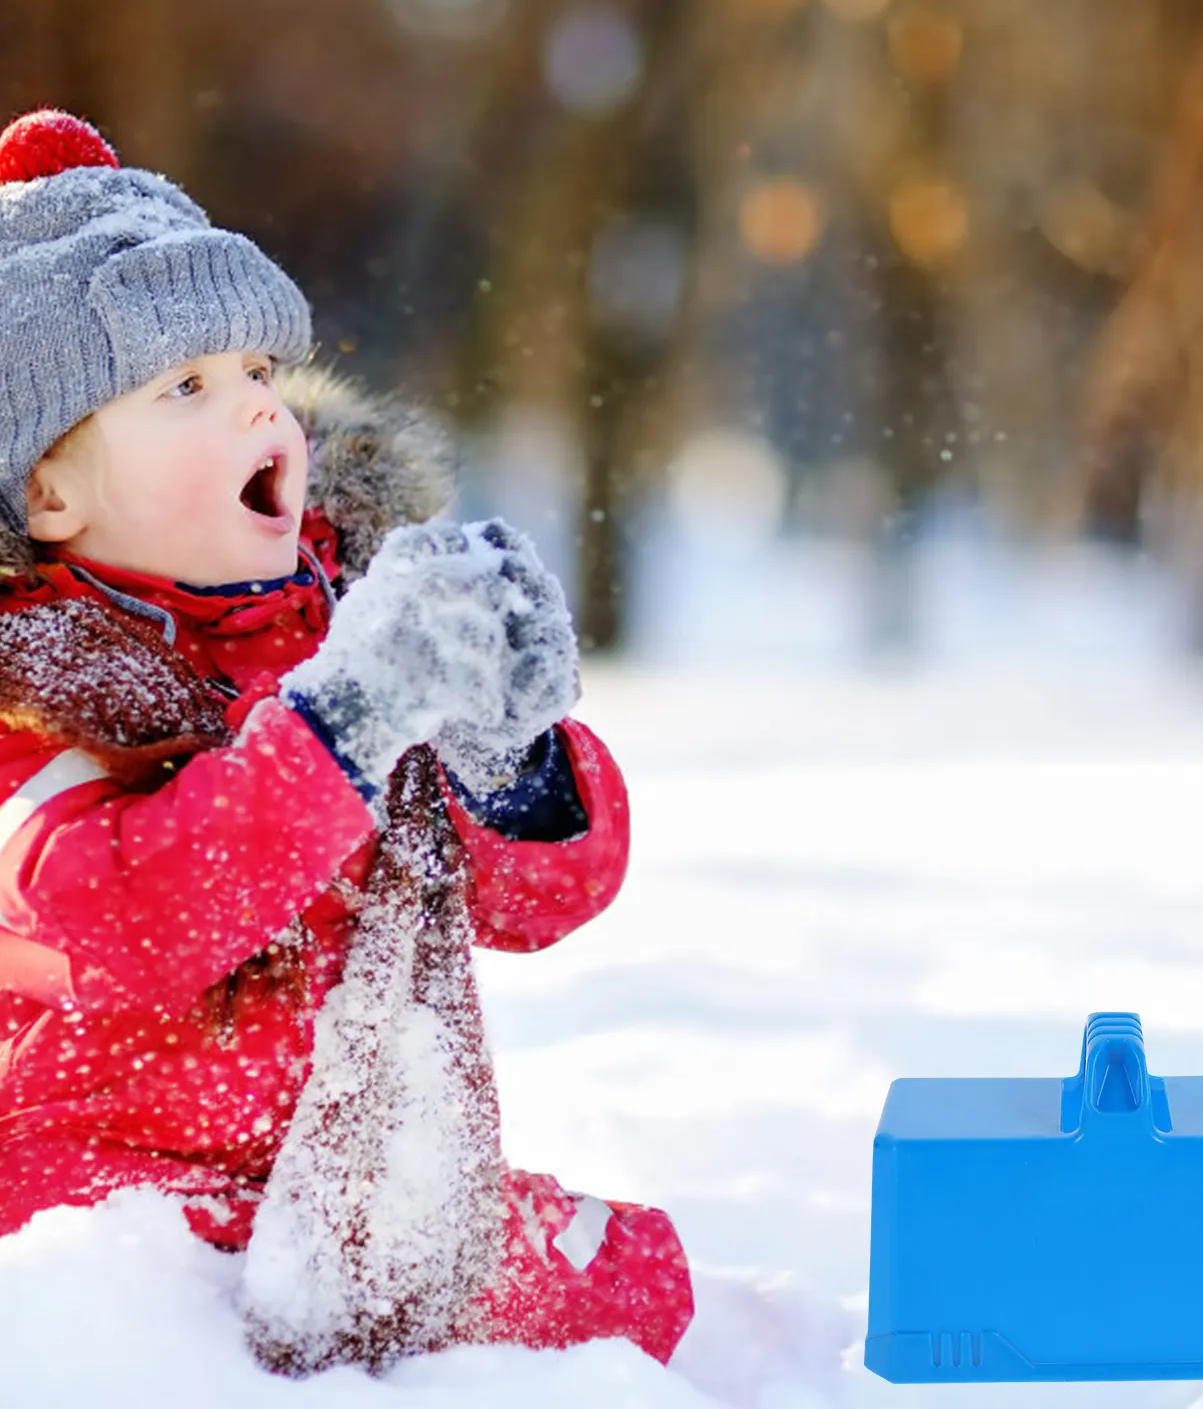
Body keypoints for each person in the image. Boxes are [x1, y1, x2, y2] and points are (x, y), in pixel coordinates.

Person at [0, 109, 693, 1373]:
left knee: (636, 1278)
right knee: (193, 1328)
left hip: (349, 1169)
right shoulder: (27, 694)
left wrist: (509, 751)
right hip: (101, 1194)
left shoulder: (344, 617)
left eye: (260, 373)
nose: (256, 412)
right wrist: (347, 724)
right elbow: (133, 911)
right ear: (49, 492)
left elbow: (537, 902)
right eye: (186, 388)